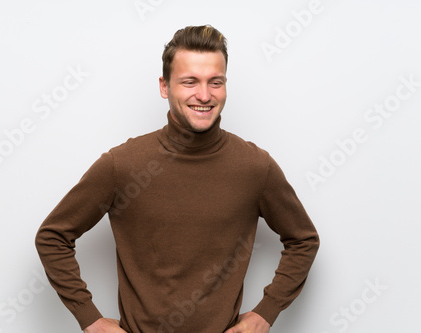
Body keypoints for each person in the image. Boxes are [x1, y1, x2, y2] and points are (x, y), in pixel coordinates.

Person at [35, 25, 319, 333]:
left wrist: (265, 313)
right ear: (164, 86)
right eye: (189, 82)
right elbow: (53, 237)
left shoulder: (254, 167)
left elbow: (303, 239)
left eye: (216, 82)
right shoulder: (123, 165)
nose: (204, 95)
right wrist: (89, 319)